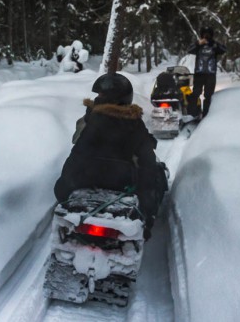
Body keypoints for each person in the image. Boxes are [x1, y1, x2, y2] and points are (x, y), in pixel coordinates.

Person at [53, 73, 167, 240]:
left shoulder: (91, 121)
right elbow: (147, 166)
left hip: (83, 181)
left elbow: (75, 154)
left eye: (100, 95)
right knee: (153, 176)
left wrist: (63, 189)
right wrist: (148, 214)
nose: (97, 98)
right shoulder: (134, 125)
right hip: (122, 187)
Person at [188, 26, 226, 118]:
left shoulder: (214, 45)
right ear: (201, 35)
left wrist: (214, 43)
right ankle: (193, 115)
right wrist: (198, 43)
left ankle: (206, 117)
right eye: (205, 34)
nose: (206, 36)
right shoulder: (198, 45)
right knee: (195, 94)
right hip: (199, 74)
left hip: (210, 75)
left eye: (208, 34)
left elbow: (224, 49)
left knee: (208, 97)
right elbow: (189, 50)